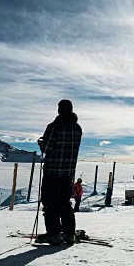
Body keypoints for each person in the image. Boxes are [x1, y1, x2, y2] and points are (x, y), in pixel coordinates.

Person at [36, 99, 82, 246]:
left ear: (59, 110)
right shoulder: (77, 128)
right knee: (64, 203)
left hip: (53, 172)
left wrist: (41, 143)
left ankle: (54, 234)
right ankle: (69, 234)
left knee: (50, 204)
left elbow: (47, 149)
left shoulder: (54, 127)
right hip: (69, 173)